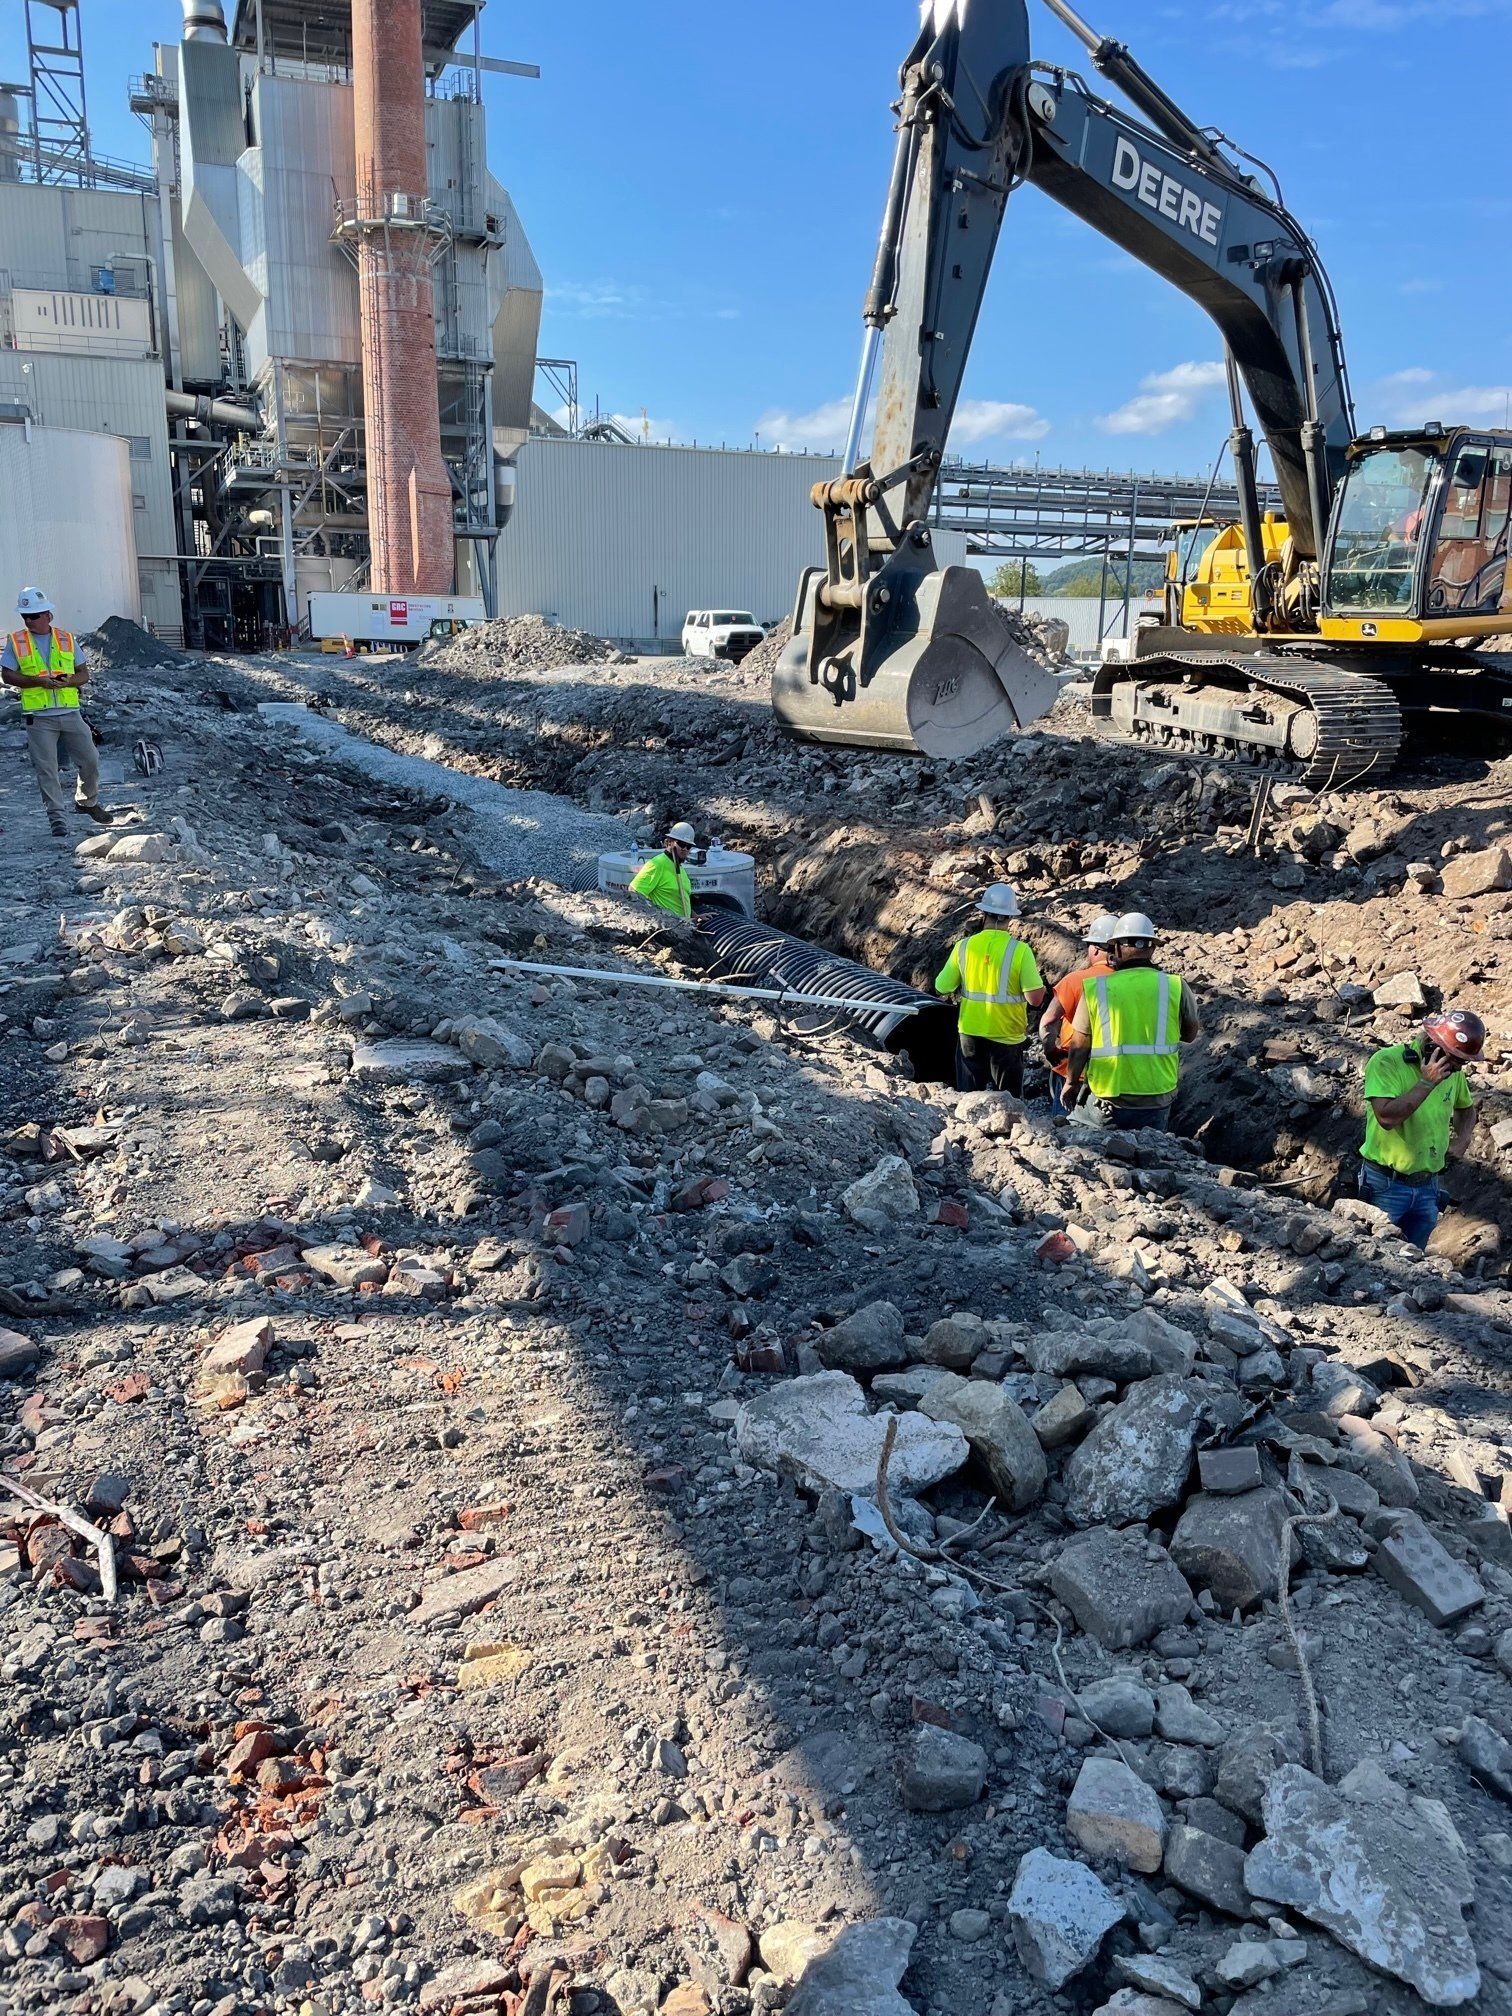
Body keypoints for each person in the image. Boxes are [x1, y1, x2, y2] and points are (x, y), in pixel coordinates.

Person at [1064, 912, 1201, 1132]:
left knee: (1074, 1133)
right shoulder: (1175, 986)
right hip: (1157, 1100)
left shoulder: (1096, 989)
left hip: (1109, 1100)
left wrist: (1071, 1083)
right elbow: (1190, 1034)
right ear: (1153, 948)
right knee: (1152, 1151)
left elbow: (1079, 1046)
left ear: (1116, 948)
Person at [1359, 1009, 1482, 1247]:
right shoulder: (1387, 1062)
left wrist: (1463, 1138)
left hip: (1428, 1186)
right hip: (1386, 1184)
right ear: (1431, 1046)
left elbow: (1466, 1109)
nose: (1457, 1068)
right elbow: (1386, 1117)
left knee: (1414, 1259)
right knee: (1378, 1257)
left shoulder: (1452, 1073)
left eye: (1462, 1062)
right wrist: (1426, 1082)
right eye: (1454, 1059)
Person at [2, 587, 112, 838]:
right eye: (26, 616)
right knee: (47, 769)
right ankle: (57, 819)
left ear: (48, 615)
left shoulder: (66, 638)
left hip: (70, 712)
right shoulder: (17, 641)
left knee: (91, 760)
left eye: (34, 615)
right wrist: (38, 682)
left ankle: (86, 802)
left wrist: (68, 681)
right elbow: (6, 674)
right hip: (38, 717)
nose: (29, 621)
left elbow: (84, 673)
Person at [934, 883, 1046, 1096]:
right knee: (1009, 1101)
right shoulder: (1020, 951)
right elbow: (1035, 1000)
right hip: (1007, 1037)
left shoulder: (964, 946)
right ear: (1010, 917)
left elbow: (942, 986)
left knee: (968, 1097)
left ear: (983, 913)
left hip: (971, 1032)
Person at [1040, 914, 1119, 1114]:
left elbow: (1048, 1022)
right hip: (1115, 1075)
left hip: (1073, 1071)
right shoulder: (1130, 982)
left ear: (1094, 948)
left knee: (1064, 1132)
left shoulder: (1075, 980)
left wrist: (1050, 1051)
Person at [629, 820, 696, 919]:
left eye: (688, 846)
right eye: (681, 844)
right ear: (669, 842)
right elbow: (633, 891)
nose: (685, 849)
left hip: (683, 927)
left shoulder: (679, 868)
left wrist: (695, 916)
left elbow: (681, 899)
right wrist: (658, 916)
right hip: (669, 927)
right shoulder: (657, 864)